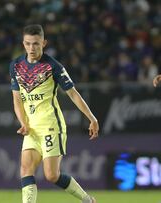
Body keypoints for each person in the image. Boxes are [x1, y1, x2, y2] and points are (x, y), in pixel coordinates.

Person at [9, 24, 99, 203]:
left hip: (51, 125)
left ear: (44, 43)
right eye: (27, 44)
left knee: (51, 175)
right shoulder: (16, 66)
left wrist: (92, 118)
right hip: (31, 129)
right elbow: (17, 99)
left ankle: (87, 200)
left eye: (35, 44)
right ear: (23, 44)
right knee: (26, 169)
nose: (31, 48)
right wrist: (23, 122)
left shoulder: (53, 66)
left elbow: (73, 93)